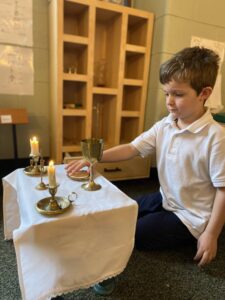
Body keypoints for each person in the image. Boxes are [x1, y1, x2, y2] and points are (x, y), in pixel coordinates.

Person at [66, 46, 225, 267]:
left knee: (136, 234)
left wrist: (211, 234)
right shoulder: (166, 123)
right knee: (120, 210)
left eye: (178, 94)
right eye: (166, 93)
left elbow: (223, 190)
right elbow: (132, 148)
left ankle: (197, 233)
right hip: (166, 198)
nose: (169, 101)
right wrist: (94, 157)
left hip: (192, 216)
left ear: (204, 94)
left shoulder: (216, 137)